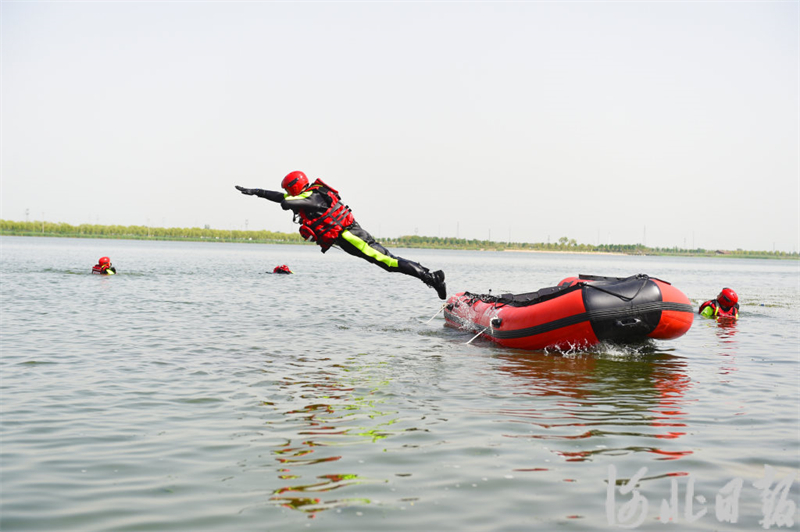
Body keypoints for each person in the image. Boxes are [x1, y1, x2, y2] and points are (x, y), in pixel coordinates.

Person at [235, 171, 447, 299]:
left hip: (351, 237)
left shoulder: (313, 197)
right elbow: (281, 198)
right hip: (351, 236)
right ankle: (430, 275)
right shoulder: (314, 193)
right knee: (388, 261)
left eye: (290, 190)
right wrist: (257, 192)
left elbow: (287, 201)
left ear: (295, 187)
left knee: (388, 262)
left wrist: (287, 202)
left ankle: (432, 278)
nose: (289, 194)